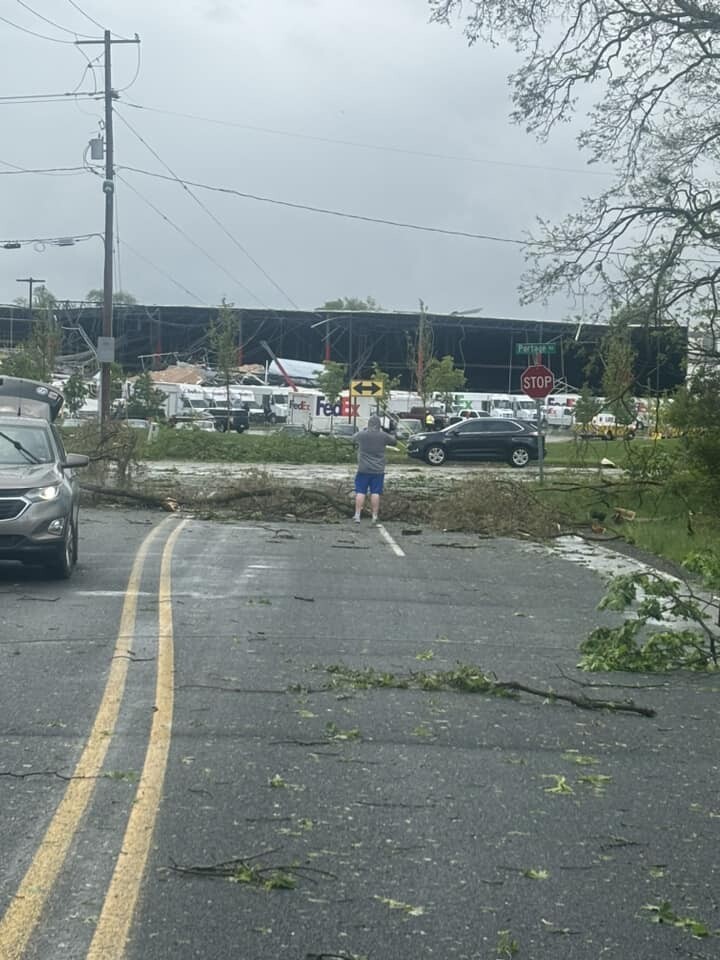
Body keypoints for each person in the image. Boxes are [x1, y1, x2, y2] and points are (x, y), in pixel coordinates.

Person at [351, 414, 396, 523]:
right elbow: (394, 441)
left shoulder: (362, 435)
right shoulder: (383, 436)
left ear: (369, 424)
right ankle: (374, 516)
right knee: (375, 492)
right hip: (378, 470)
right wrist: (392, 430)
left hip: (363, 469)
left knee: (360, 492)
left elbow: (353, 438)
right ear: (379, 425)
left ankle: (357, 515)